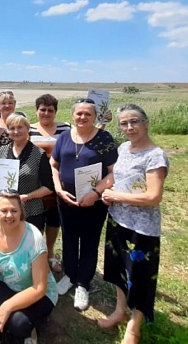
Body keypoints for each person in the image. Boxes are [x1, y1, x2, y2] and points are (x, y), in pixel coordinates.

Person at [97, 104, 169, 344]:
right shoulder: (124, 149)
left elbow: (153, 197)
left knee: (139, 276)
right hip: (118, 220)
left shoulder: (155, 155)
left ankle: (134, 326)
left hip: (142, 228)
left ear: (146, 123)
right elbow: (119, 178)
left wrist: (115, 195)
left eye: (134, 121)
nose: (129, 127)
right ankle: (119, 311)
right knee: (118, 269)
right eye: (124, 123)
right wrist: (109, 192)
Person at [50, 98, 117, 311]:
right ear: (73, 116)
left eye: (88, 114)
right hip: (67, 200)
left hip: (93, 203)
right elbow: (53, 165)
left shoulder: (104, 139)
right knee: (69, 238)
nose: (82, 117)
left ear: (95, 116)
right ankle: (69, 276)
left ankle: (83, 284)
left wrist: (96, 193)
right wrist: (59, 189)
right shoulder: (64, 137)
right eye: (79, 113)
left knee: (89, 241)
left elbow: (113, 172)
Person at [0, 189, 58, 344]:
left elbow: (40, 288)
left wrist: (7, 306)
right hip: (7, 283)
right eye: (4, 210)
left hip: (38, 293)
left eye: (14, 210)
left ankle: (33, 329)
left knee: (18, 324)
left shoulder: (34, 238)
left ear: (21, 211)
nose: (9, 215)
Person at [0, 113, 54, 231]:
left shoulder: (39, 154)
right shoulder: (1, 151)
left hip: (31, 212)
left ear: (27, 129)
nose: (16, 131)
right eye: (12, 128)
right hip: (6, 213)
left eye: (20, 127)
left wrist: (27, 197)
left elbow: (48, 187)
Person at [28, 94, 70, 273]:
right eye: (42, 109)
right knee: (35, 222)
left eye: (50, 110)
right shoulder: (28, 129)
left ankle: (51, 253)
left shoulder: (66, 128)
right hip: (33, 185)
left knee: (54, 222)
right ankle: (35, 255)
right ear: (36, 111)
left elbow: (84, 137)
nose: (46, 113)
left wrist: (102, 123)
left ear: (55, 112)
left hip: (58, 184)